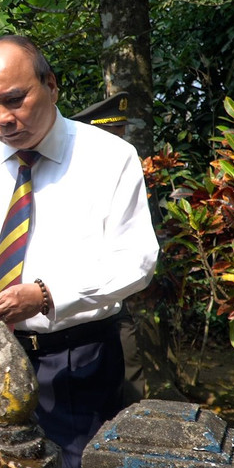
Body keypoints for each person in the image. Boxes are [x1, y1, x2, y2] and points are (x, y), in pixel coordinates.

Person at [0, 35, 158, 468]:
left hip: (75, 359)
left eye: (15, 99)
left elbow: (136, 259)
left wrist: (48, 294)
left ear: (50, 85)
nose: (2, 119)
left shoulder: (108, 159)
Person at [69, 91, 148, 407]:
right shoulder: (66, 175)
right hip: (70, 302)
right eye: (110, 135)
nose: (119, 144)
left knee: (127, 373)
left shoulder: (124, 168)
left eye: (120, 134)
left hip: (114, 293)